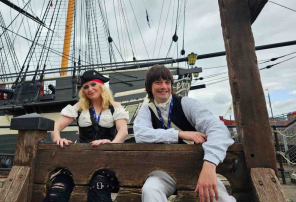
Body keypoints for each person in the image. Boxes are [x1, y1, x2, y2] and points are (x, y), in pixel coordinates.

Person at [133, 65, 236, 202]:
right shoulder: (146, 110)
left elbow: (218, 129)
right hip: (162, 171)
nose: (164, 86)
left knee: (223, 199)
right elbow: (141, 134)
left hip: (195, 168)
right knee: (151, 191)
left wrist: (209, 164)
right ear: (150, 87)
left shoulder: (186, 104)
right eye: (158, 82)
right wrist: (178, 134)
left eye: (167, 82)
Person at [45, 70, 129, 202]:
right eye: (86, 87)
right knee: (57, 189)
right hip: (81, 160)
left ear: (101, 86)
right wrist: (58, 139)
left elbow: (123, 131)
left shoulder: (114, 107)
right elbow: (56, 126)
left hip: (105, 162)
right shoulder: (78, 108)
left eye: (93, 85)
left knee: (98, 188)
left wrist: (111, 145)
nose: (90, 89)